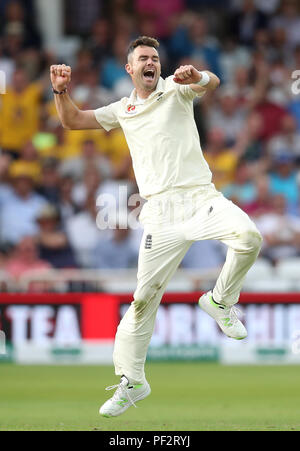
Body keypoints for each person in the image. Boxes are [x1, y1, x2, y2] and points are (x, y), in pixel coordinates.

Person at [50, 35, 262, 418]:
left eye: (155, 57)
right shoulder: (123, 108)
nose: (151, 62)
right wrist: (60, 91)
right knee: (142, 300)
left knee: (250, 237)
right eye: (143, 58)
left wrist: (199, 75)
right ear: (130, 69)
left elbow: (211, 83)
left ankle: (219, 301)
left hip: (200, 198)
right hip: (160, 213)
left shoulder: (177, 89)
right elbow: (72, 121)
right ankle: (132, 381)